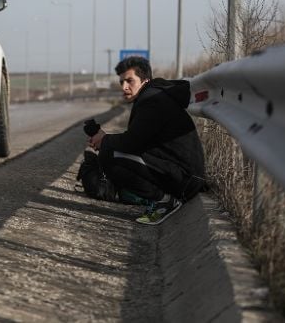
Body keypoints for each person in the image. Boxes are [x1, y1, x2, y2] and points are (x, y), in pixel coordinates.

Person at [87, 56, 205, 225]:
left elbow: (131, 143)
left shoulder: (152, 101)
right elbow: (137, 139)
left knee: (109, 154)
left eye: (130, 81)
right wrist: (105, 139)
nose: (125, 87)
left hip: (185, 180)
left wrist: (104, 140)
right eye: (121, 82)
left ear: (144, 80)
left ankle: (164, 201)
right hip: (184, 174)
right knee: (111, 147)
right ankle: (162, 198)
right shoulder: (152, 95)